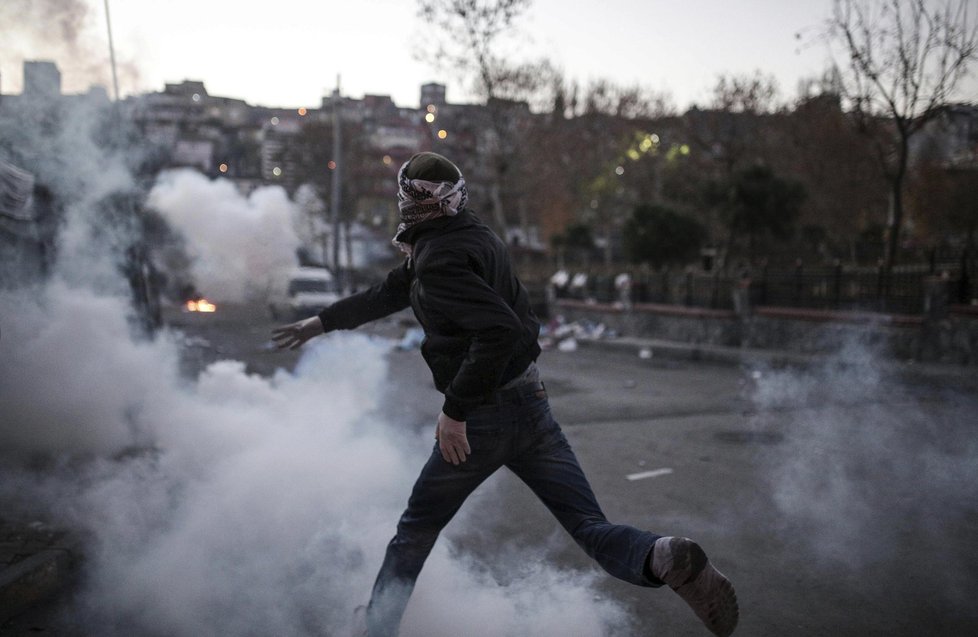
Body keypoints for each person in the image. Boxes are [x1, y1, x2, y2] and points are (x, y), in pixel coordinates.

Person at [272, 152, 738, 636]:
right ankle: (661, 556)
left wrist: (455, 412)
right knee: (586, 524)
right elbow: (390, 292)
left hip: (480, 421)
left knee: (415, 531)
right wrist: (321, 322)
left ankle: (378, 628)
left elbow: (499, 332)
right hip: (531, 405)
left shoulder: (439, 259)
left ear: (415, 201)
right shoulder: (468, 237)